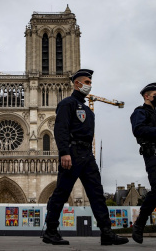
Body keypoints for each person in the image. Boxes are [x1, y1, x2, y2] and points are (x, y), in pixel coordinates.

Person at [42, 69, 129, 246]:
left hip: (87, 155)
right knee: (62, 193)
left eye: (90, 82)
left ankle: (106, 233)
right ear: (77, 84)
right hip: (72, 154)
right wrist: (64, 152)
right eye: (87, 82)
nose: (89, 86)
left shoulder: (88, 111)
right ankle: (50, 232)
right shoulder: (67, 104)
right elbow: (61, 129)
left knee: (97, 194)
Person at [130, 82, 156, 244]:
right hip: (152, 154)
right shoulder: (139, 112)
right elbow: (138, 130)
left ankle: (140, 224)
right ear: (146, 96)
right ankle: (139, 224)